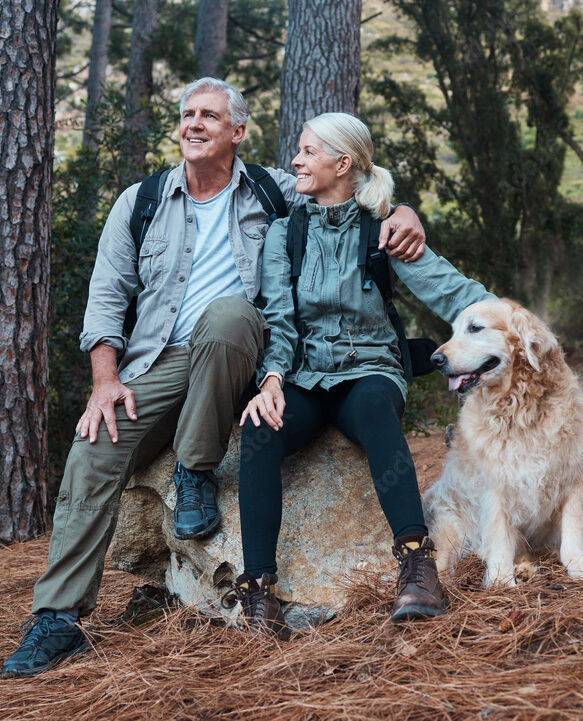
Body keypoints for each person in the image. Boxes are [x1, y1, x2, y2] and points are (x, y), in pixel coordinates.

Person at [2, 81, 426, 679]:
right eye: (187, 115)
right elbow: (106, 297)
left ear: (237, 132)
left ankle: (194, 469)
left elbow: (349, 193)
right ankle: (58, 619)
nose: (194, 124)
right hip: (157, 360)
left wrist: (404, 213)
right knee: (96, 447)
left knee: (228, 316)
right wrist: (105, 380)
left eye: (210, 115)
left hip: (240, 357)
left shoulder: (275, 191)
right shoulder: (141, 200)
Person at [222, 112, 495, 637]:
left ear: (342, 163)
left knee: (373, 408)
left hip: (371, 368)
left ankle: (417, 565)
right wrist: (273, 380)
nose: (296, 161)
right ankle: (257, 591)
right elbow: (277, 317)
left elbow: (451, 291)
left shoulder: (383, 228)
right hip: (303, 375)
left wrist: (510, 321)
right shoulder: (286, 233)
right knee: (260, 427)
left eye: (306, 151)